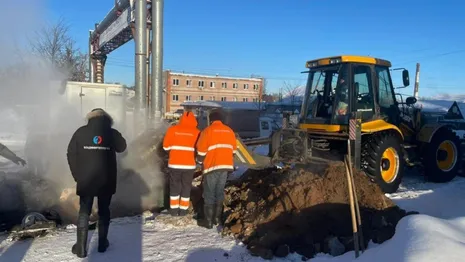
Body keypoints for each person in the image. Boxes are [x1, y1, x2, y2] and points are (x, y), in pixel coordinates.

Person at [66, 108, 127, 258]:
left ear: (90, 118)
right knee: (104, 209)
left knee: (84, 210)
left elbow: (70, 154)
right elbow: (122, 147)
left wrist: (77, 175)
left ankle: (80, 248)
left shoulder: (80, 132)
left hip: (86, 179)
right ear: (107, 119)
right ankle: (102, 244)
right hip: (106, 179)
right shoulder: (111, 133)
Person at [196, 110, 236, 229]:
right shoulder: (229, 131)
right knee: (219, 191)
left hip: (212, 166)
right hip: (225, 166)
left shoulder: (207, 131)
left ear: (211, 120)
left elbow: (201, 150)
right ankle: (217, 219)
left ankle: (208, 221)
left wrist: (199, 161)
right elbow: (233, 150)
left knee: (209, 193)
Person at [163, 111, 200, 216]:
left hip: (174, 163)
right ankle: (183, 210)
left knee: (175, 186)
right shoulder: (197, 132)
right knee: (186, 186)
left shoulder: (173, 130)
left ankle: (174, 210)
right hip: (189, 165)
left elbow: (166, 147)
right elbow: (199, 148)